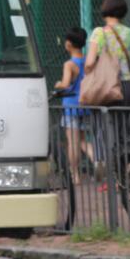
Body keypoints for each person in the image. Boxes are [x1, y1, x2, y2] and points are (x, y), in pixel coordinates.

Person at [84, 0, 130, 108]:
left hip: (104, 84)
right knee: (123, 124)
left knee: (104, 124)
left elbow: (89, 63)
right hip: (126, 86)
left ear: (105, 9)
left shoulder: (99, 32)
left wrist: (88, 74)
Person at [53, 27, 89, 184]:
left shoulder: (69, 64)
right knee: (82, 140)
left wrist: (58, 84)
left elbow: (66, 83)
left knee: (72, 141)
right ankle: (97, 160)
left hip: (71, 106)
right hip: (86, 105)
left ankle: (75, 174)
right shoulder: (88, 61)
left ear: (69, 44)